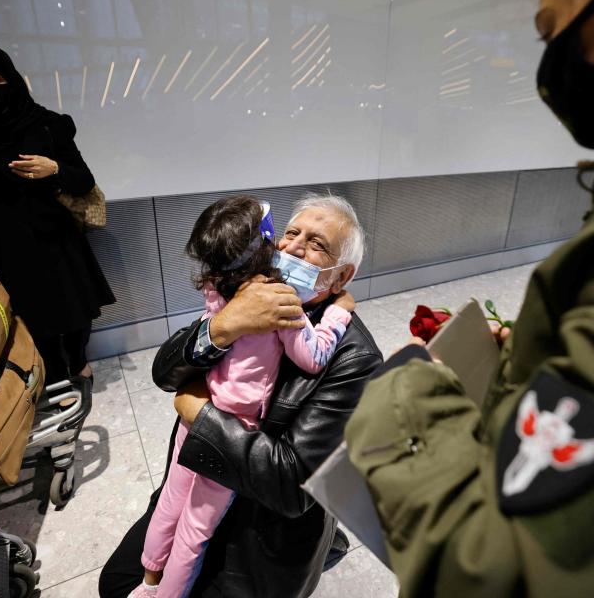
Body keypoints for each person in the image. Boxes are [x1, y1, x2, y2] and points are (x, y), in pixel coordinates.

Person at [345, 0, 594, 596]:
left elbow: (507, 573)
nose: (547, 63)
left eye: (551, 27)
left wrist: (405, 391)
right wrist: (544, 354)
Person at [100, 194, 383, 597]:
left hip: (260, 532)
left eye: (317, 244)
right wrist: (223, 327)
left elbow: (291, 484)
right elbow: (165, 372)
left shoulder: (355, 359)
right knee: (114, 584)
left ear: (340, 278)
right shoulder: (247, 293)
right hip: (196, 473)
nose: (293, 248)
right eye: (290, 233)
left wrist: (200, 414)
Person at [0, 42, 114, 384]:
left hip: (53, 232)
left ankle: (78, 363)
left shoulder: (47, 123)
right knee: (29, 317)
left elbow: (83, 180)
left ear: (11, 79)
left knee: (75, 311)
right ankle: (50, 374)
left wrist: (54, 168)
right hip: (2, 239)